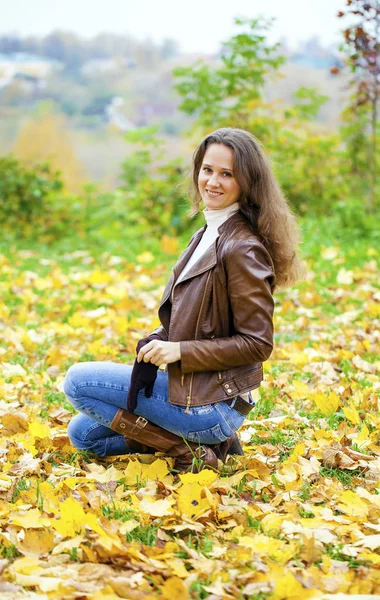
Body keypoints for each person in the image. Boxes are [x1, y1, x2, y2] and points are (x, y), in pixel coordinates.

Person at [63, 127, 304, 473]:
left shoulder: (242, 248)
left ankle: (190, 449)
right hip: (191, 387)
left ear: (247, 182)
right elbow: (200, 319)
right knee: (84, 434)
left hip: (214, 404)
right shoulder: (207, 232)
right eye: (208, 170)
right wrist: (161, 340)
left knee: (78, 381)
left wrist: (180, 351)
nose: (213, 182)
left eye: (227, 174)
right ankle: (203, 443)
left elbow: (257, 343)